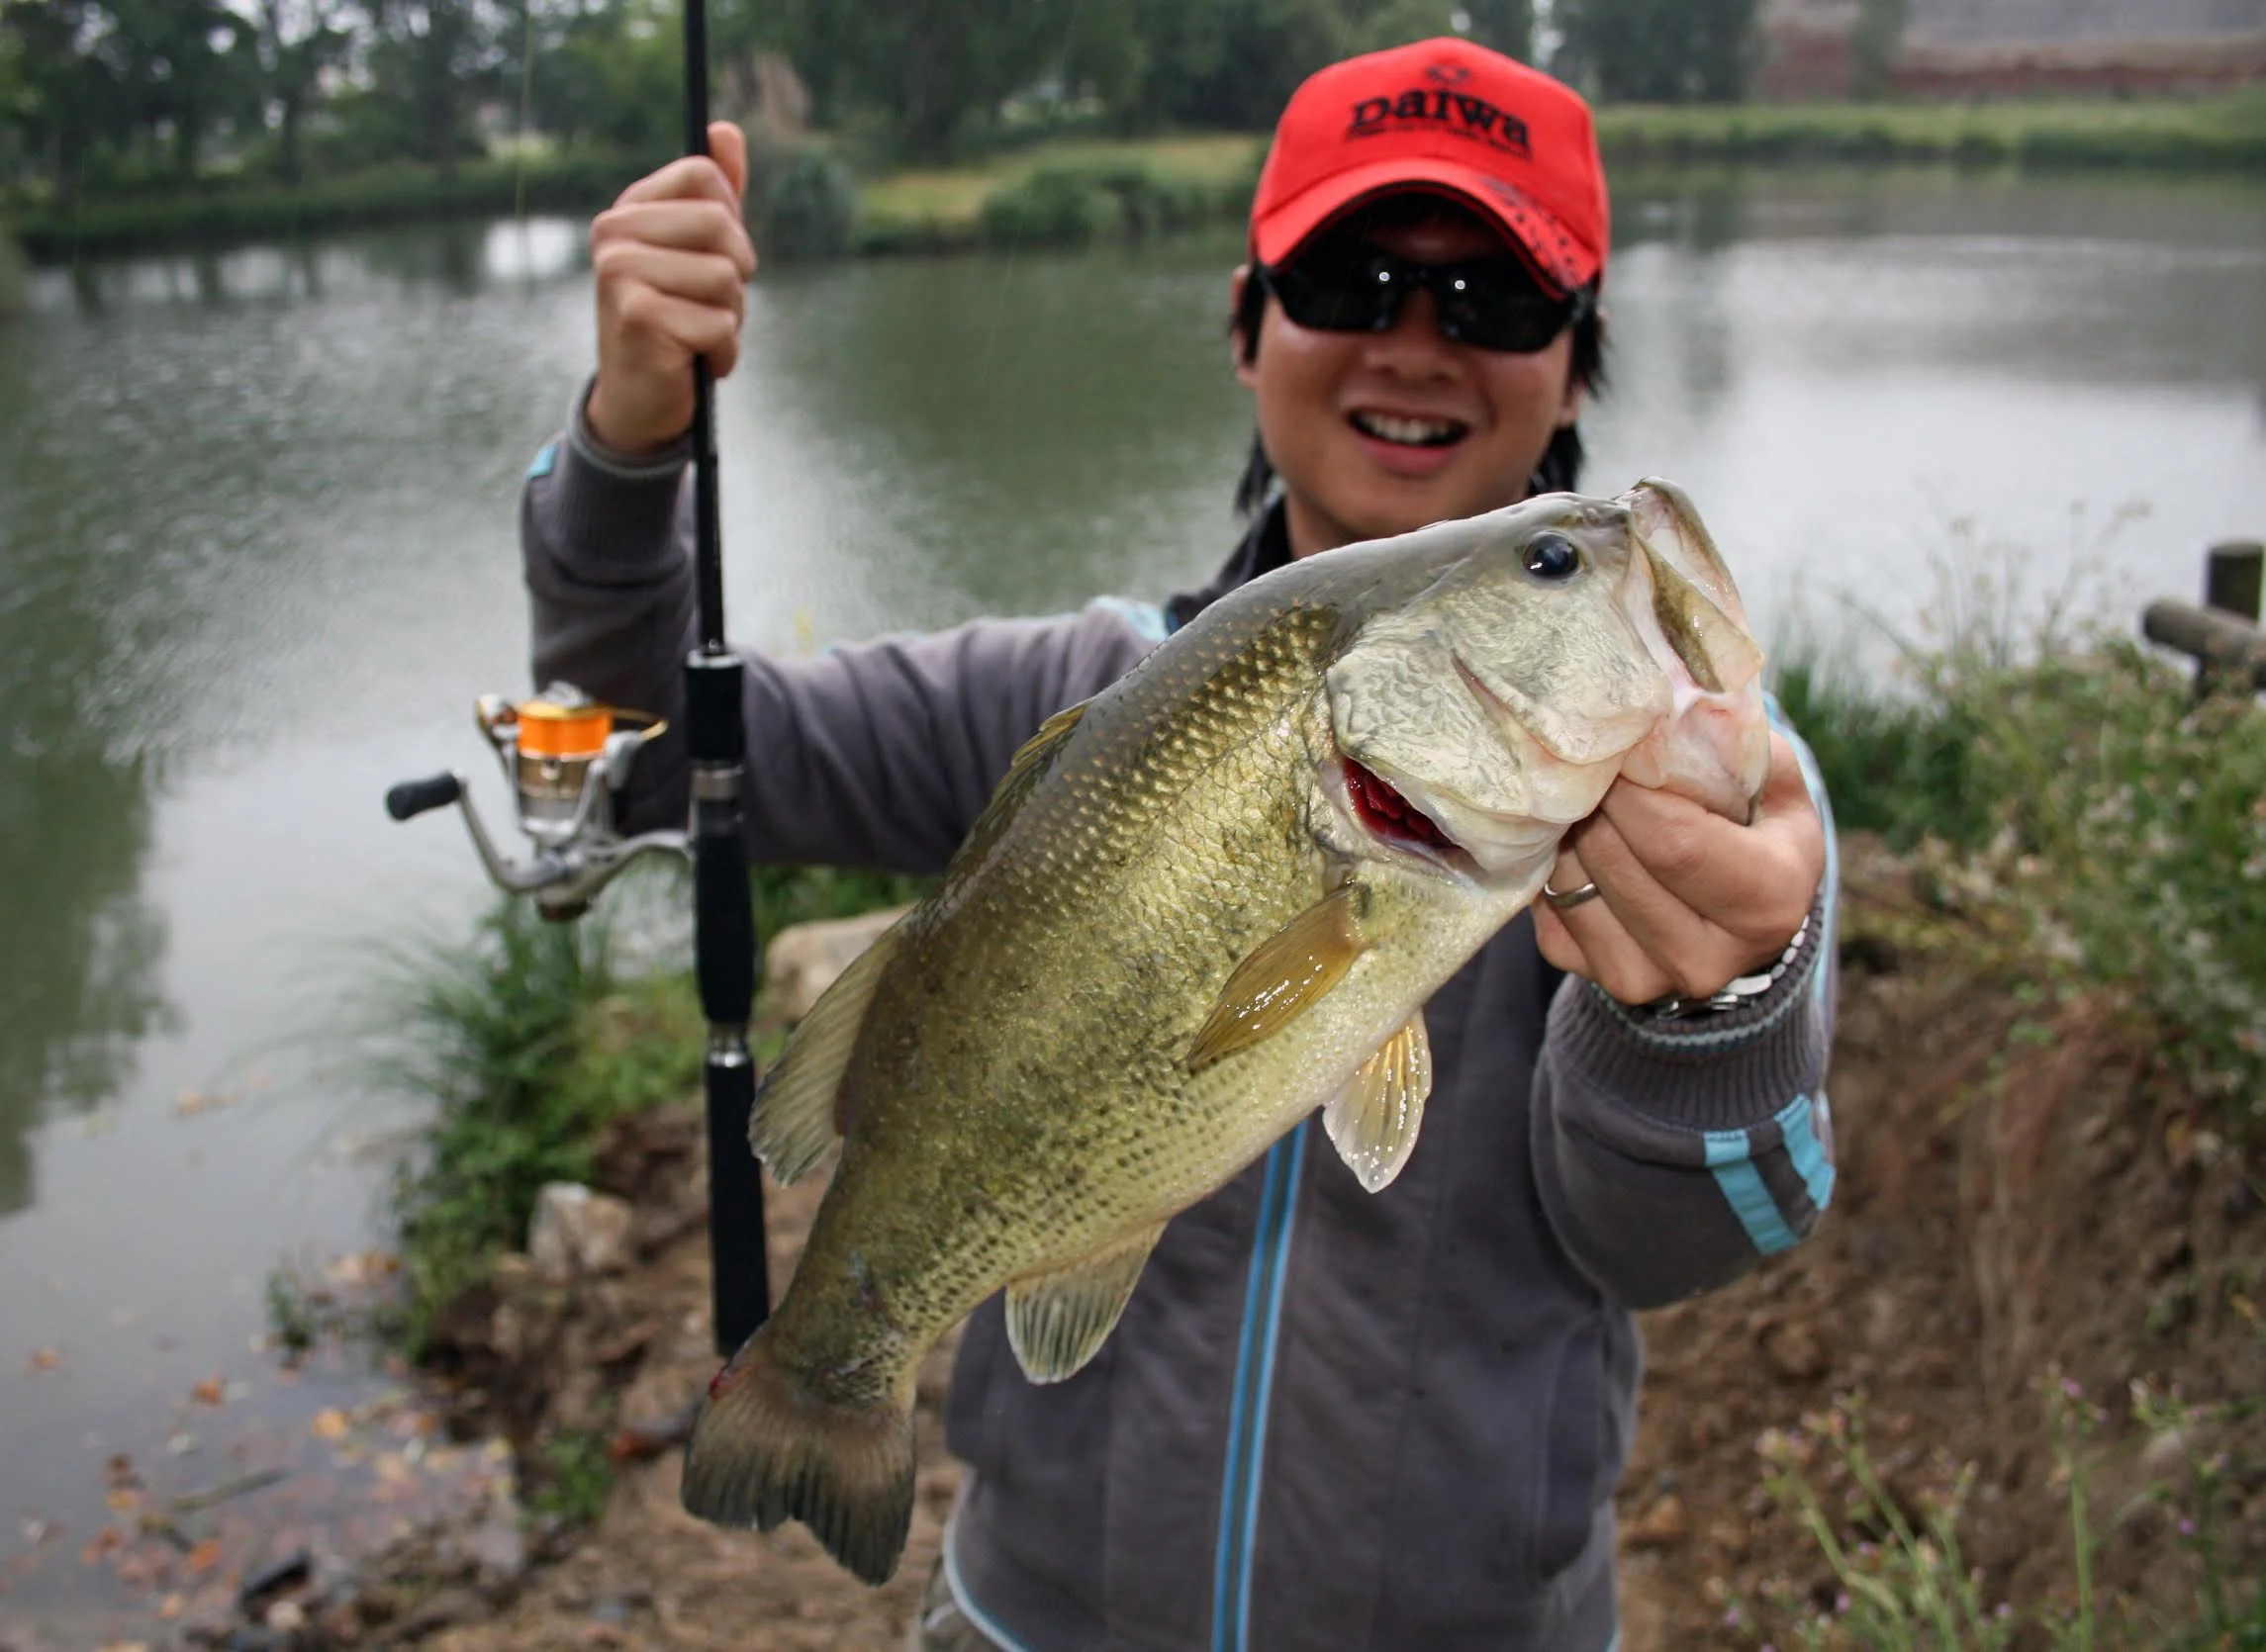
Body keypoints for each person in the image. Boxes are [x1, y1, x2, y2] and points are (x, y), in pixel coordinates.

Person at [520, 37, 1836, 1652]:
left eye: (1493, 303)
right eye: (1349, 282)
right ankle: (829, 1378)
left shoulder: (1715, 812)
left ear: (1575, 369)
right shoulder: (1067, 696)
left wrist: (1712, 1016)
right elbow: (649, 743)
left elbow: (1685, 1242)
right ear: (1242, 324)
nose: (1414, 344)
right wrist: (628, 442)